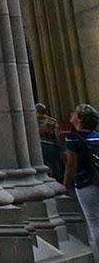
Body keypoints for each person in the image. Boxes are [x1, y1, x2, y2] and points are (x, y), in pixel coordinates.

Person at [64, 103, 99, 260]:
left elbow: (71, 165)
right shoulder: (97, 136)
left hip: (85, 183)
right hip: (97, 179)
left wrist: (65, 186)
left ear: (80, 119)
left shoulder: (73, 138)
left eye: (75, 112)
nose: (71, 114)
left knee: (93, 221)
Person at [36, 103, 63, 181]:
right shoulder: (53, 121)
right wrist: (60, 148)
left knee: (42, 169)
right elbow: (58, 135)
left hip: (40, 147)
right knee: (55, 168)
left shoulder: (32, 121)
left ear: (37, 112)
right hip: (53, 147)